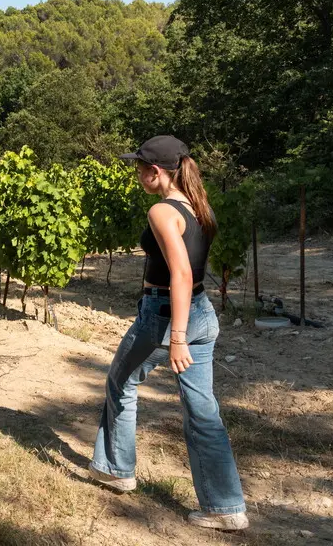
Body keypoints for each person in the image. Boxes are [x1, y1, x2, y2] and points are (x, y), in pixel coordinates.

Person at [88, 135, 248, 531]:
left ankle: (115, 469)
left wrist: (176, 337)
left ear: (155, 172)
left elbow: (181, 273)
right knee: (202, 410)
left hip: (165, 317)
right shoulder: (198, 205)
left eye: (139, 168)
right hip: (202, 312)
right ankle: (225, 508)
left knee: (120, 382)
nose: (137, 175)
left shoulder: (161, 211)